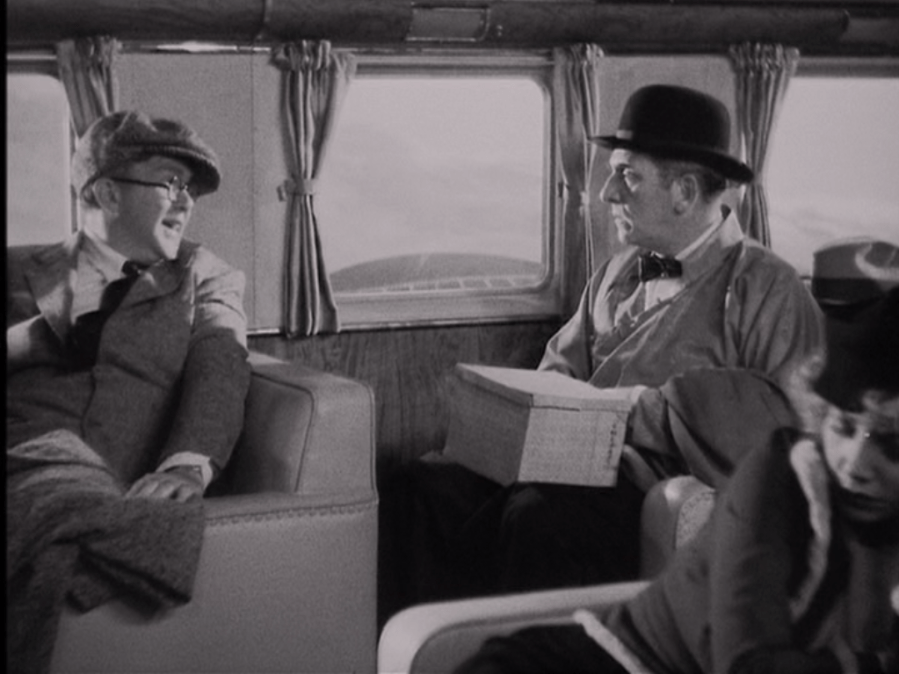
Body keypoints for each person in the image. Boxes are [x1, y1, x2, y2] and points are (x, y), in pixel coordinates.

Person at [378, 84, 823, 627]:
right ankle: (425, 653)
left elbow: (789, 432)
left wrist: (646, 411)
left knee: (537, 517)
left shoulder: (768, 290)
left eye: (627, 176)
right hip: (561, 467)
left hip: (644, 489)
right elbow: (559, 370)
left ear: (684, 192)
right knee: (418, 488)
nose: (608, 193)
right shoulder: (617, 271)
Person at [454, 238, 899, 674]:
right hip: (592, 662)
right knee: (440, 494)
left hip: (635, 482)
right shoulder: (781, 476)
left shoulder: (766, 286)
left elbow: (746, 411)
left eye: (889, 445)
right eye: (843, 427)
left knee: (538, 514)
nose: (856, 463)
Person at [7, 110, 251, 672]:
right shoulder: (17, 270)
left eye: (190, 190)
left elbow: (222, 368)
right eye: (171, 182)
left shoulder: (207, 276)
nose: (186, 202)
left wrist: (187, 466)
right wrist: (25, 343)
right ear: (108, 193)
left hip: (97, 474)